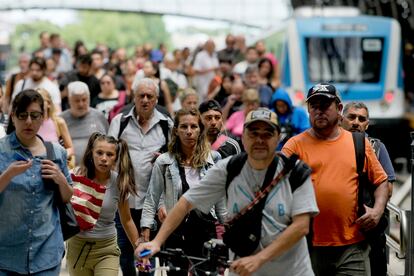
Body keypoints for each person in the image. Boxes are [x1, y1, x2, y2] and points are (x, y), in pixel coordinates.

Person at [136, 107, 319, 275]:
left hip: (291, 271)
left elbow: (301, 226)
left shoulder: (296, 172)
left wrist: (259, 259)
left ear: (278, 137)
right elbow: (185, 203)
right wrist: (157, 241)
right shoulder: (229, 169)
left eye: (267, 134)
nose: (259, 140)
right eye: (253, 133)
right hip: (243, 270)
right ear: (244, 136)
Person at [282, 83, 389, 276]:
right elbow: (276, 187)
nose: (319, 111)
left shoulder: (358, 143)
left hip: (353, 246)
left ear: (339, 109)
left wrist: (378, 211)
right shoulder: (294, 146)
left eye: (325, 105)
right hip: (307, 246)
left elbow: (381, 181)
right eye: (314, 106)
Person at [140, 108, 225, 275]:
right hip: (174, 231)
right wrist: (145, 236)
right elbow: (151, 199)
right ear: (176, 131)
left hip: (204, 231)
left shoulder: (213, 159)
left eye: (194, 127)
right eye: (184, 127)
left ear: (201, 129)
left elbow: (220, 201)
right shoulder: (164, 162)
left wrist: (228, 230)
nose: (189, 132)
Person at [0, 89, 72, 275]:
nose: (29, 122)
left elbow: (67, 197)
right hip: (7, 254)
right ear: (13, 117)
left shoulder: (56, 152)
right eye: (23, 115)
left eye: (35, 115)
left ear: (43, 117)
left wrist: (60, 179)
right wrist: (7, 175)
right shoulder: (1, 150)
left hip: (46, 251)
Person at [107, 77, 173, 276]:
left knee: (146, 254)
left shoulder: (166, 125)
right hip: (124, 201)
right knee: (125, 255)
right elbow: (108, 154)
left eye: (149, 96)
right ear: (133, 98)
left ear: (156, 99)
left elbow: (173, 162)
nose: (145, 100)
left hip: (151, 203)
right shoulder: (120, 121)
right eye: (141, 96)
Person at [66, 132, 139, 275]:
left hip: (107, 248)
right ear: (91, 153)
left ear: (116, 158)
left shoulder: (119, 183)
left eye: (110, 155)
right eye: (99, 153)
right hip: (78, 247)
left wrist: (139, 249)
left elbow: (127, 220)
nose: (104, 159)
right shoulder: (75, 176)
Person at [341, 101, 395, 276]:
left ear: (367, 124)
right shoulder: (330, 144)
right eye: (351, 117)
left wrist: (375, 210)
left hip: (369, 228)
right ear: (342, 119)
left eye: (361, 118)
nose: (356, 122)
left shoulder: (377, 148)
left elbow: (389, 186)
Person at [60, 81, 109, 166]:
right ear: (69, 100)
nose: (81, 104)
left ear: (89, 99)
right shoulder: (61, 120)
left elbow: (109, 142)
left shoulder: (99, 116)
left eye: (84, 99)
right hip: (70, 169)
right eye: (77, 101)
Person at [36, 88, 75, 168]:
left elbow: (70, 148)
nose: (37, 104)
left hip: (56, 166)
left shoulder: (58, 122)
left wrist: (60, 156)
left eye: (41, 100)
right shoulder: (30, 123)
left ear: (49, 104)